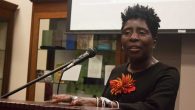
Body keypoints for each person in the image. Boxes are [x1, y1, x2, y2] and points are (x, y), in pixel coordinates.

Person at [51, 4, 180, 110]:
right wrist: (75, 100)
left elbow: (153, 108)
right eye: (127, 32)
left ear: (154, 42)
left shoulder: (167, 74)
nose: (133, 37)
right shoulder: (117, 71)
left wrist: (103, 103)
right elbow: (102, 105)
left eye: (141, 32)